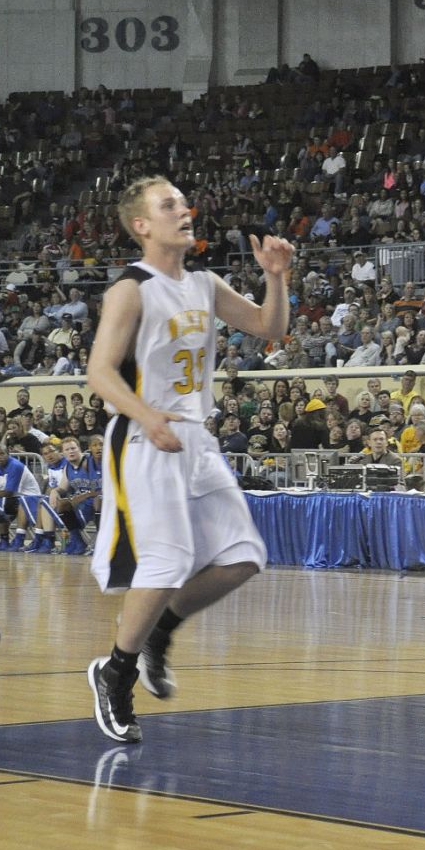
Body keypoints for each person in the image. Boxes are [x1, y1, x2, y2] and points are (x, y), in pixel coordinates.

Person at [85, 175, 291, 744]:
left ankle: (159, 631)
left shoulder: (203, 282)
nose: (185, 209)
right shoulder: (132, 288)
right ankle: (115, 672)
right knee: (167, 561)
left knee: (244, 556)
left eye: (183, 201)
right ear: (142, 225)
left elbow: (270, 327)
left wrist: (277, 278)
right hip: (143, 435)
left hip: (195, 435)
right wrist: (147, 415)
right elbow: (100, 373)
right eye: (169, 204)